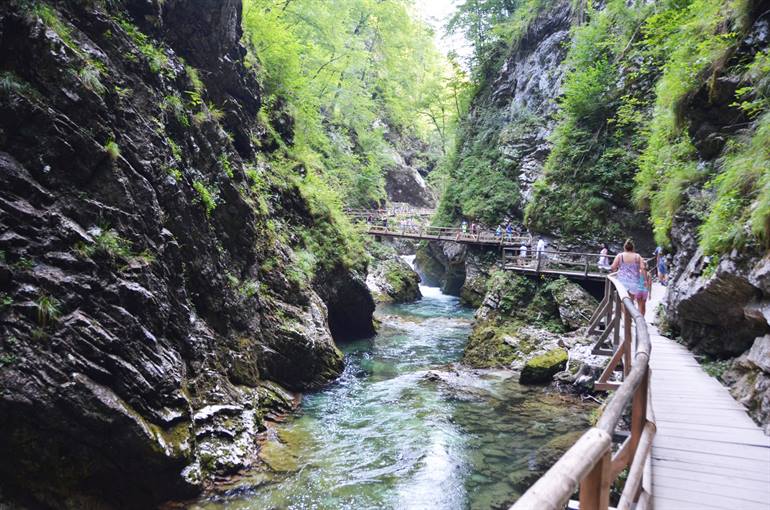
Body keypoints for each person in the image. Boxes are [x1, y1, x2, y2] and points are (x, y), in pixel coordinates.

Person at [610, 238, 648, 316]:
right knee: (631, 301)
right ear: (633, 248)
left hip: (622, 283)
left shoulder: (620, 256)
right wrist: (644, 281)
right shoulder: (637, 256)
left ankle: (628, 317)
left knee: (623, 301)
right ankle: (632, 317)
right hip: (634, 282)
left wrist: (616, 272)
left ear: (624, 247)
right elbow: (643, 268)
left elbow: (613, 267)